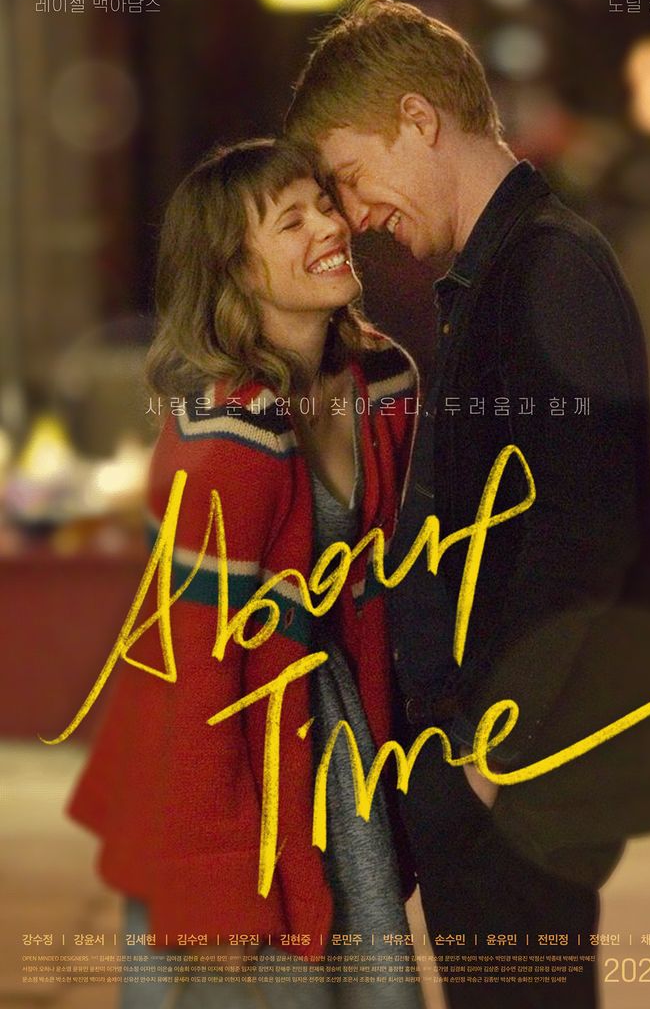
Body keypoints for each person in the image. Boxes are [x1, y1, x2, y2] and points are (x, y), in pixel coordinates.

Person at [286, 0, 650, 1008]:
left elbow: (581, 539)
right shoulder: (503, 266)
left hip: (522, 781)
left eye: (349, 176)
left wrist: (486, 756)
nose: (352, 215)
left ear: (420, 120)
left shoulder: (548, 267)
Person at [68, 139, 422, 1009]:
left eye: (323, 205)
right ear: (234, 269)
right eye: (290, 220)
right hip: (223, 771)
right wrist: (213, 887)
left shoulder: (381, 377)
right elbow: (187, 666)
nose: (330, 227)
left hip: (326, 743)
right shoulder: (224, 437)